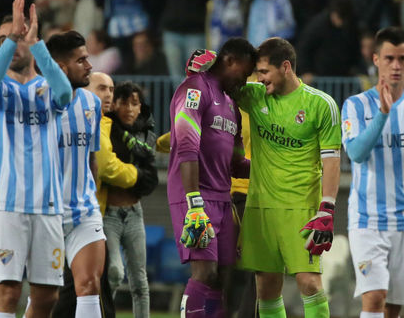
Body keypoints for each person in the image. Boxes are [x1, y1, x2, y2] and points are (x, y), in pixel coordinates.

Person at [0, 0, 72, 317]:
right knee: (7, 291)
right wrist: (14, 36)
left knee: (47, 297)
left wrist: (36, 42)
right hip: (7, 205)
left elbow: (65, 94)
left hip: (48, 205)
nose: (12, 44)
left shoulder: (48, 87)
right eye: (3, 39)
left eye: (16, 37)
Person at [235, 37, 341, 318]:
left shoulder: (321, 104)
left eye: (264, 72)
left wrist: (327, 208)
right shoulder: (254, 96)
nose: (260, 78)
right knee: (266, 286)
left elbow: (331, 160)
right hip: (260, 207)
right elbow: (220, 81)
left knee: (309, 283)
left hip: (301, 208)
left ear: (285, 67)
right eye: (257, 73)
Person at [341, 27, 404, 318]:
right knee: (374, 297)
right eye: (389, 58)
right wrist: (383, 115)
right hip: (367, 219)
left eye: (402, 58)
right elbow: (357, 153)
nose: (396, 65)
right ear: (375, 59)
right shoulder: (356, 106)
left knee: (393, 307)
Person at [167, 37, 256, 317]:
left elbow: (237, 162)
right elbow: (186, 144)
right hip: (194, 194)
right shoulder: (195, 89)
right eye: (245, 71)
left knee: (222, 275)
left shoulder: (232, 105)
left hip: (223, 198)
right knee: (204, 272)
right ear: (230, 60)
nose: (246, 80)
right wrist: (194, 202)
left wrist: (275, 166)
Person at [45, 30, 105, 318]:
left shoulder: (92, 104)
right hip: (45, 214)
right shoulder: (38, 104)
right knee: (44, 296)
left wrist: (91, 195)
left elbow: (91, 157)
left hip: (84, 211)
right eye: (81, 60)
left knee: (89, 284)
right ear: (60, 67)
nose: (89, 66)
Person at [102, 81, 158, 317]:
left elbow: (151, 176)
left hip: (135, 212)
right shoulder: (107, 129)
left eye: (135, 103)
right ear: (114, 104)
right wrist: (135, 176)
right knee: (113, 273)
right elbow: (108, 169)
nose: (129, 109)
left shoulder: (146, 136)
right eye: (124, 102)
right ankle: (106, 312)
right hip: (109, 215)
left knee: (140, 282)